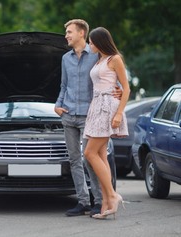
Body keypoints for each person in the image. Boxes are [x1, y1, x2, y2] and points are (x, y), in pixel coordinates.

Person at [55, 19, 121, 217]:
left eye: (69, 32)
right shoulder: (65, 58)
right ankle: (82, 201)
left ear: (81, 33)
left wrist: (117, 91)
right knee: (74, 159)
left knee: (89, 159)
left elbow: (110, 79)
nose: (66, 35)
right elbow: (63, 85)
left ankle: (99, 200)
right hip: (68, 115)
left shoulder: (96, 56)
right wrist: (58, 104)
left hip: (90, 115)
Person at [83, 27, 130, 220]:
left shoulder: (114, 59)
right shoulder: (99, 60)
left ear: (101, 42)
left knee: (89, 153)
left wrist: (119, 113)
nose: (90, 45)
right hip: (96, 106)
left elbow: (126, 89)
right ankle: (106, 204)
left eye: (92, 42)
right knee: (100, 155)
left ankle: (112, 195)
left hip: (108, 107)